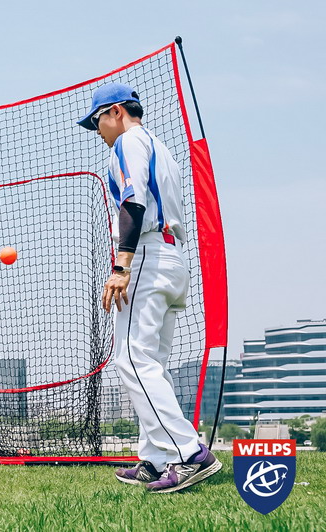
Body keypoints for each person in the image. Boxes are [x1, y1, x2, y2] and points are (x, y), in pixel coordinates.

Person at [77, 83, 221, 493]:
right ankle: (156, 460)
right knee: (152, 362)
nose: (97, 130)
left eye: (97, 120)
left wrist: (121, 266)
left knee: (131, 359)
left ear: (116, 112)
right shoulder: (161, 147)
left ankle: (190, 454)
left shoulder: (128, 142)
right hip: (173, 260)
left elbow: (133, 201)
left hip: (147, 256)